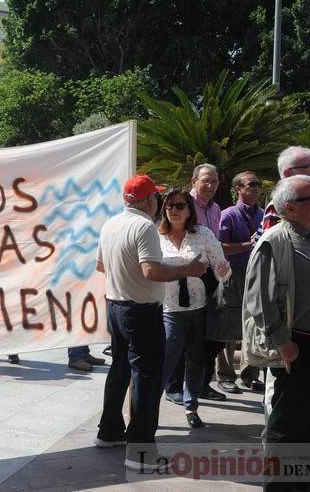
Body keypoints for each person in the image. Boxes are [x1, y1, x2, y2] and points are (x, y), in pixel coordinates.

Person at [243, 175, 310, 491]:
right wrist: (283, 343)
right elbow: (258, 299)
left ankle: (299, 484)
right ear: (290, 207)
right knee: (287, 427)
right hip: (298, 348)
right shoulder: (275, 241)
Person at [93, 174, 207, 471]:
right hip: (140, 310)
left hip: (115, 305)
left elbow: (101, 265)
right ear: (147, 200)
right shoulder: (145, 227)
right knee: (145, 378)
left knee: (119, 370)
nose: (159, 203)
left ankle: (109, 432)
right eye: (156, 197)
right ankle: (140, 452)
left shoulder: (111, 224)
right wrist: (188, 268)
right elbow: (150, 272)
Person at [158, 189, 230, 428]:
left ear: (189, 210)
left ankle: (192, 407)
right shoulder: (155, 236)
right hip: (169, 309)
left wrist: (221, 272)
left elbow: (223, 269)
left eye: (179, 206)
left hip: (200, 308)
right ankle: (148, 408)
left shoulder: (203, 234)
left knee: (196, 360)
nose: (174, 211)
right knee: (166, 360)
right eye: (169, 206)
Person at [218, 171, 265, 392]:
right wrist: (247, 245)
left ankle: (250, 374)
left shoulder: (264, 215)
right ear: (238, 188)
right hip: (234, 272)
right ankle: (226, 374)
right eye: (251, 184)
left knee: (254, 323)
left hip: (256, 273)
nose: (256, 188)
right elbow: (220, 247)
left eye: (258, 184)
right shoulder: (228, 215)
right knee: (229, 324)